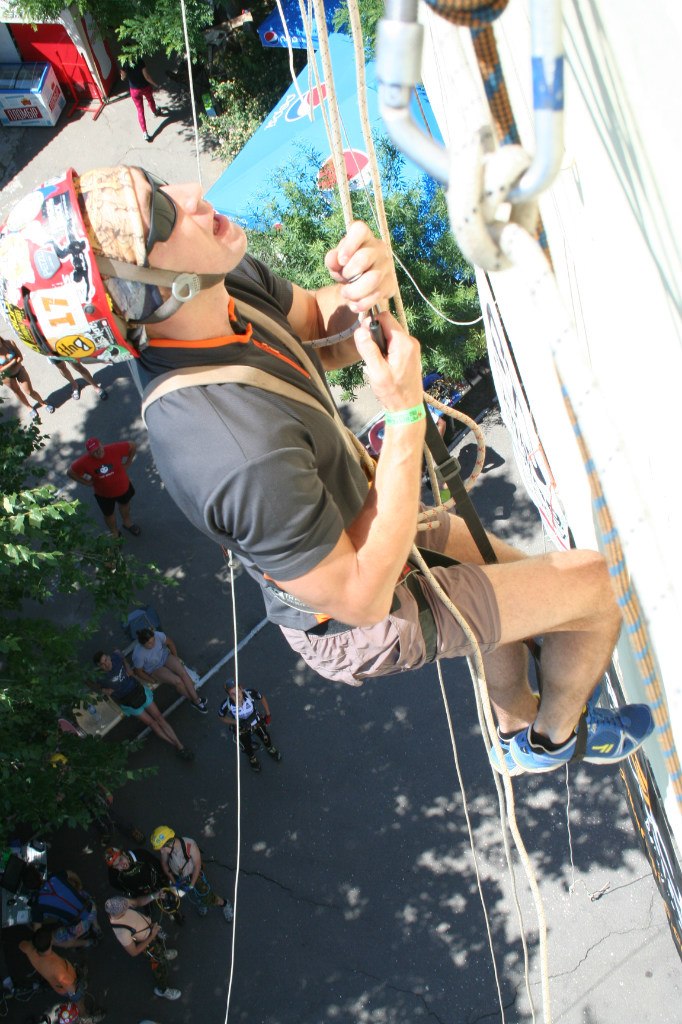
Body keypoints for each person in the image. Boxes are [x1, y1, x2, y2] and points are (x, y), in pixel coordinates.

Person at [0, 166, 654, 778]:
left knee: (512, 588)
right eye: (166, 213)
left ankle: (514, 725)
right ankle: (554, 739)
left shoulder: (220, 287)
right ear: (145, 291)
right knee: (596, 592)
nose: (194, 192)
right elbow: (362, 595)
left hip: (362, 519)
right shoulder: (226, 445)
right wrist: (403, 420)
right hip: (354, 612)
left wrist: (367, 291)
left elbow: (321, 326)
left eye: (160, 183)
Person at [92, 649, 194, 761]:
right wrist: (104, 691)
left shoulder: (115, 658)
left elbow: (120, 654)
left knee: (159, 718)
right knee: (152, 723)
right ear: (99, 666)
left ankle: (179, 745)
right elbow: (95, 687)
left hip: (139, 691)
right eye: (102, 664)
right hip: (128, 703)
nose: (106, 664)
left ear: (108, 656)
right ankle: (177, 746)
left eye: (106, 660)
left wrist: (127, 667)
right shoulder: (100, 676)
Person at [104, 896, 180, 1002]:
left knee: (159, 946)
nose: (129, 905)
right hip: (149, 945)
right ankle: (163, 990)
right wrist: (152, 935)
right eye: (126, 907)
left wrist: (155, 895)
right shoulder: (121, 932)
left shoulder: (119, 904)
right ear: (120, 913)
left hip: (151, 933)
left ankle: (163, 953)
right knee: (159, 967)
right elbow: (134, 952)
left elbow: (137, 902)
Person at [150, 826, 233, 921]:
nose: (161, 851)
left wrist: (192, 885)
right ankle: (201, 903)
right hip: (180, 877)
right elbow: (164, 864)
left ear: (169, 843)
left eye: (162, 848)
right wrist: (174, 882)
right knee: (195, 896)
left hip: (194, 875)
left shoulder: (189, 845)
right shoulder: (166, 850)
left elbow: (197, 866)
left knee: (206, 896)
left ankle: (224, 904)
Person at [68, 437, 140, 539]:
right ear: (89, 453)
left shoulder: (114, 449)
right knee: (109, 514)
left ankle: (127, 523)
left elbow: (132, 445)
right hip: (103, 494)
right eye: (94, 452)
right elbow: (70, 472)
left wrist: (128, 462)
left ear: (102, 444)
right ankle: (115, 533)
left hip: (123, 487)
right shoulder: (84, 461)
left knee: (125, 505)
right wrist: (86, 482)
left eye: (98, 448)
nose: (98, 453)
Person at [17, 928, 98, 1020]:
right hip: (68, 984)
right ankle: (84, 1015)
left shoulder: (30, 949)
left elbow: (21, 945)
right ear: (51, 942)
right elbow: (71, 988)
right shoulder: (56, 967)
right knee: (79, 999)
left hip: (58, 984)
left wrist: (33, 944)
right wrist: (77, 992)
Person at [132, 627, 207, 713]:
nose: (153, 644)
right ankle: (196, 701)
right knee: (177, 681)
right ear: (142, 644)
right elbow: (138, 671)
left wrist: (175, 657)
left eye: (153, 641)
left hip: (165, 656)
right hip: (154, 668)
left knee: (183, 672)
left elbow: (170, 643)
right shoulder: (138, 655)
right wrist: (151, 680)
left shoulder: (157, 635)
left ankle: (196, 700)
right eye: (149, 643)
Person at [104, 846, 183, 924]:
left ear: (124, 853)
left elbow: (156, 863)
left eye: (121, 859)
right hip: (141, 892)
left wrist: (164, 877)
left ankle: (175, 912)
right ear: (114, 867)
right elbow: (116, 885)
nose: (121, 864)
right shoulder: (114, 876)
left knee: (168, 899)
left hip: (155, 882)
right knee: (150, 912)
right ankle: (153, 926)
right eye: (117, 865)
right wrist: (130, 892)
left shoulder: (140, 854)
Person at [218, 680, 282, 773]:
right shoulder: (226, 705)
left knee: (265, 736)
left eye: (237, 691)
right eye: (232, 694)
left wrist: (268, 714)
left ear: (241, 688)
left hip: (256, 721)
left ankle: (270, 748)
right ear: (228, 695)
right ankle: (252, 758)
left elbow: (262, 698)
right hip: (242, 728)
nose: (236, 695)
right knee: (246, 745)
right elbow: (221, 717)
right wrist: (236, 722)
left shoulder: (250, 693)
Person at [1, 335, 54, 418]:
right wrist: (12, 362)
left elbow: (20, 357)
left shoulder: (9, 343)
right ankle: (29, 408)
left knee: (29, 391)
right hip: (7, 377)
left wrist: (10, 365)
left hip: (19, 370)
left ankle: (43, 403)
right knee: (17, 391)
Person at [120, 57, 165, 143]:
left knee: (140, 110)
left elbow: (122, 78)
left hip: (134, 90)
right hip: (145, 87)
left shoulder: (124, 64)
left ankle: (145, 133)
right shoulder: (139, 61)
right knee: (150, 100)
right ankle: (155, 111)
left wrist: (124, 73)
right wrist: (155, 84)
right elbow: (147, 76)